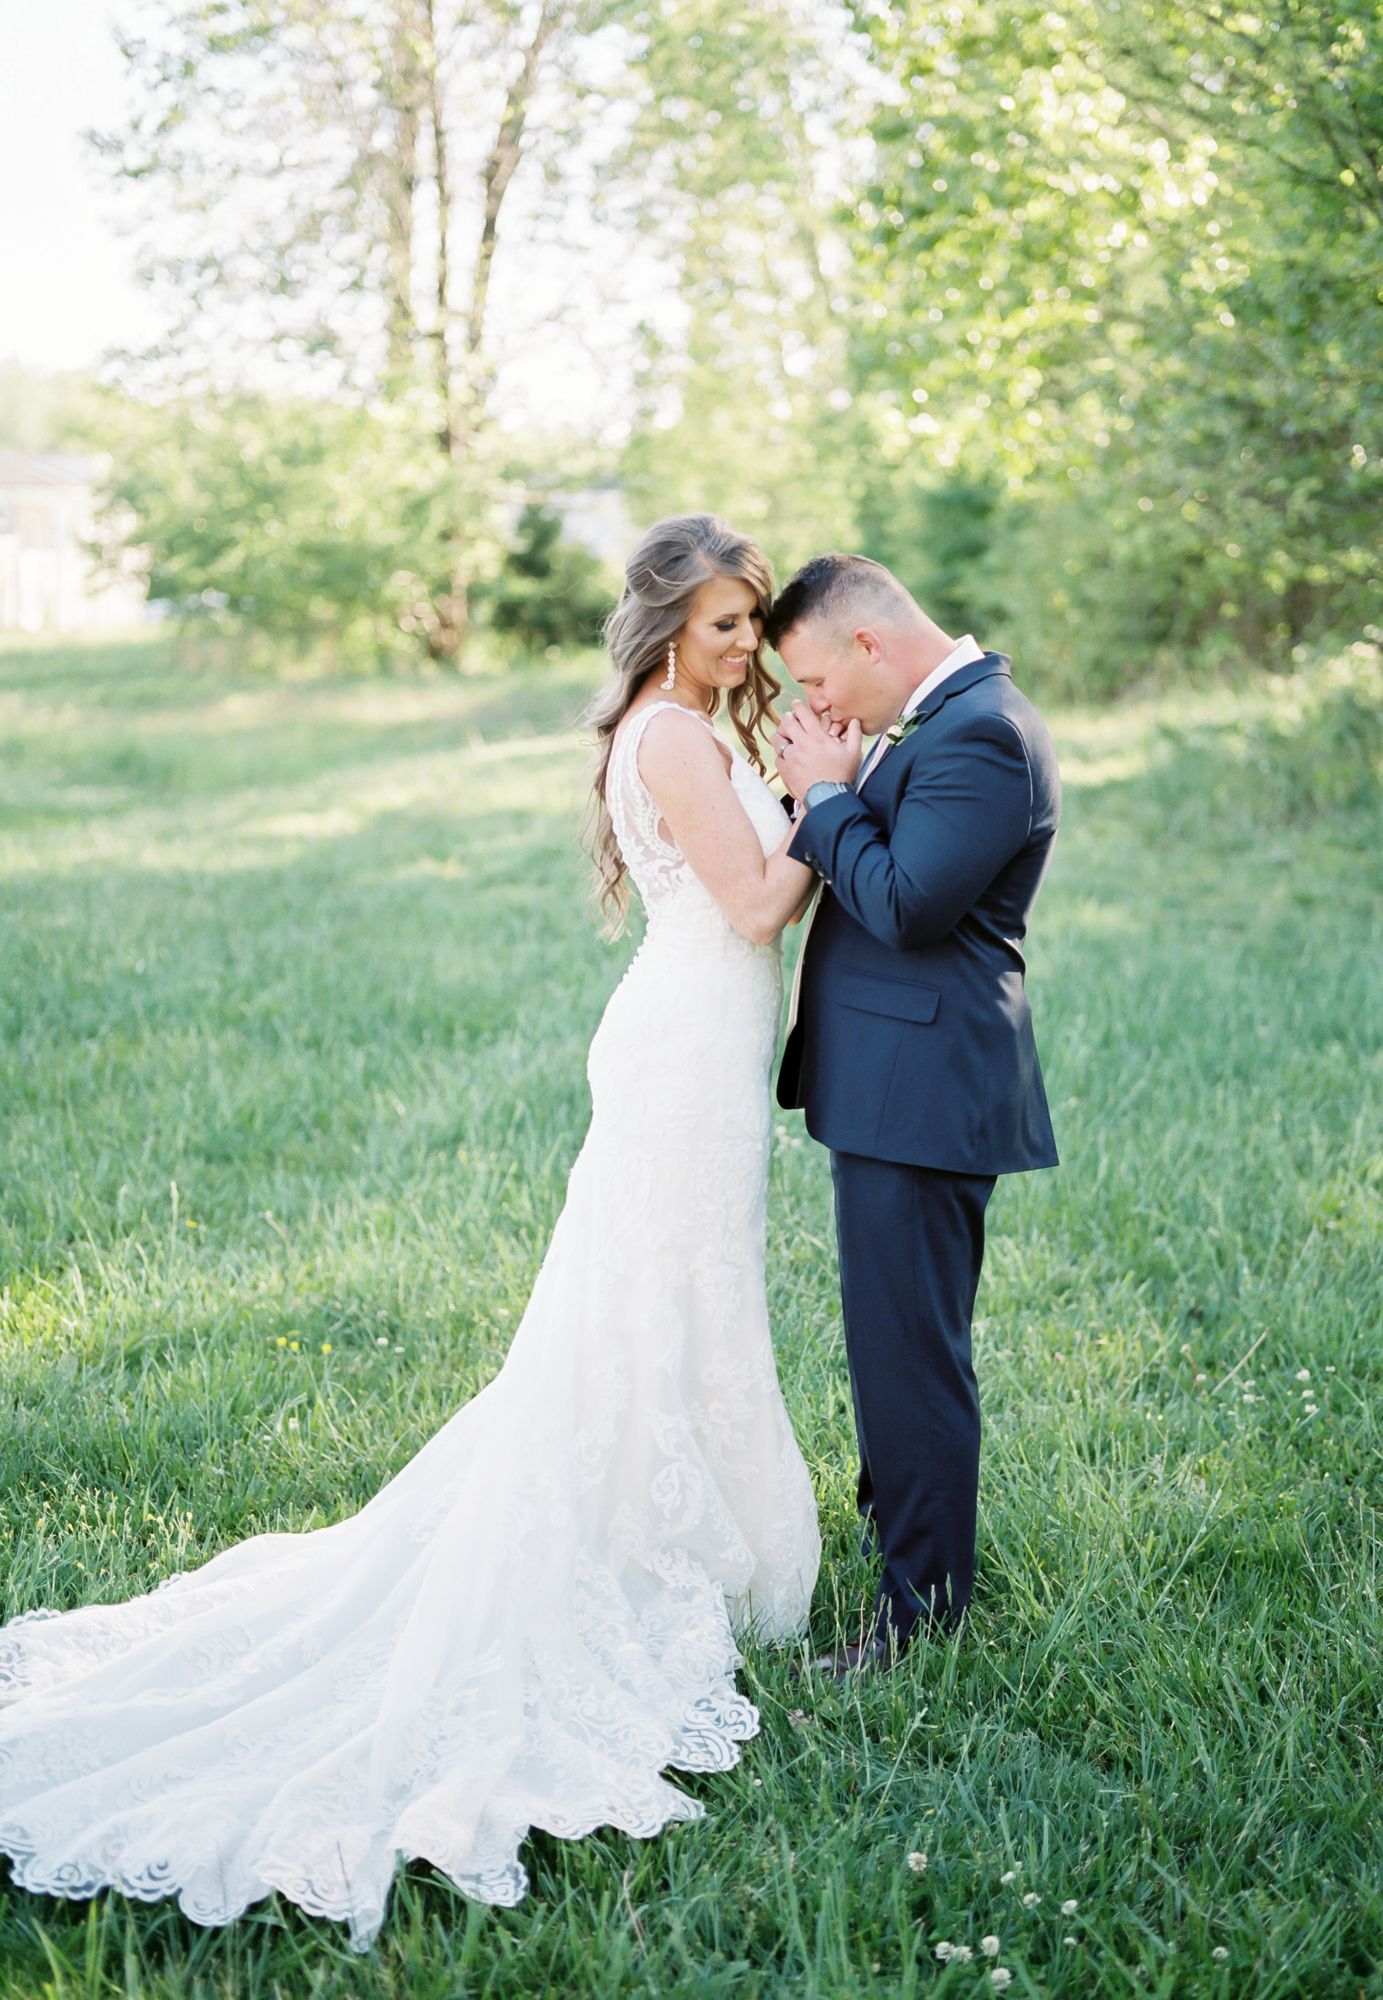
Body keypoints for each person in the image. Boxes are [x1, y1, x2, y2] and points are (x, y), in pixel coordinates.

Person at [0, 516, 820, 1950]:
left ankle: (677, 1524)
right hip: (686, 1048)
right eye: (726, 625)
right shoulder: (677, 740)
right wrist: (833, 801)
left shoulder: (678, 721)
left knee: (676, 1301)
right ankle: (652, 1540)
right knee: (653, 1298)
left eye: (752, 620)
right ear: (665, 629)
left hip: (699, 1048)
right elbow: (753, 907)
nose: (746, 645)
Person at [767, 553, 1060, 1673]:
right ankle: (903, 1543)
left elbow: (903, 903)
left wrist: (827, 794)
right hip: (893, 1089)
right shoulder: (937, 717)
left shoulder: (983, 731)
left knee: (911, 1356)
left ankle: (919, 1614)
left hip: (925, 1097)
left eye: (818, 681)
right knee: (890, 1342)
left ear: (868, 645)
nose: (817, 707)